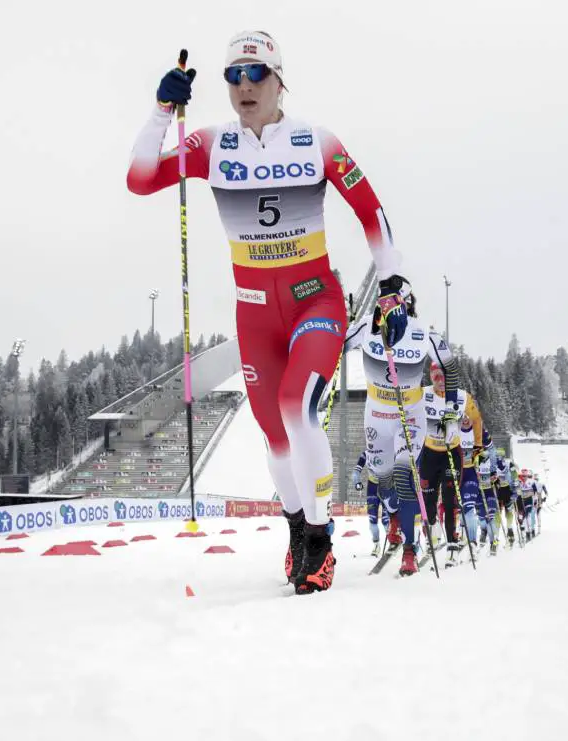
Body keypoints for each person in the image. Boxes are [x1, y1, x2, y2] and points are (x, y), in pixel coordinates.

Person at [128, 32, 409, 595]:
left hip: (316, 301)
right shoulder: (211, 145)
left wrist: (393, 285)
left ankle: (322, 539)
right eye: (233, 76)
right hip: (255, 314)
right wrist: (162, 111)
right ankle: (297, 532)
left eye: (256, 75)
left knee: (296, 408)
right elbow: (139, 178)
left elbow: (370, 211)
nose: (244, 86)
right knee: (275, 440)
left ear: (280, 80)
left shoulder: (315, 142)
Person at [343, 290, 454, 576]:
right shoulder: (368, 326)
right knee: (384, 483)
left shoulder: (422, 333)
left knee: (405, 478)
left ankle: (409, 549)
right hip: (377, 417)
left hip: (410, 417)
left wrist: (451, 412)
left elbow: (449, 367)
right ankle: (393, 517)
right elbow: (334, 344)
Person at [421, 360, 467, 563]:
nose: (440, 379)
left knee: (450, 500)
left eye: (443, 375)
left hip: (451, 453)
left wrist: (463, 426)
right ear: (430, 376)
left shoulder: (461, 396)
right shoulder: (422, 394)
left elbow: (474, 421)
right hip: (429, 454)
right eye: (435, 375)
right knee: (429, 504)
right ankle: (433, 532)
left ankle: (452, 541)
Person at [351, 450, 393, 557]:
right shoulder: (366, 453)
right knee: (372, 520)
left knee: (386, 520)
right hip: (372, 488)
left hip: (386, 487)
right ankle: (376, 545)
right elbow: (356, 471)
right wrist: (357, 482)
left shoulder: (387, 450)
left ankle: (392, 543)